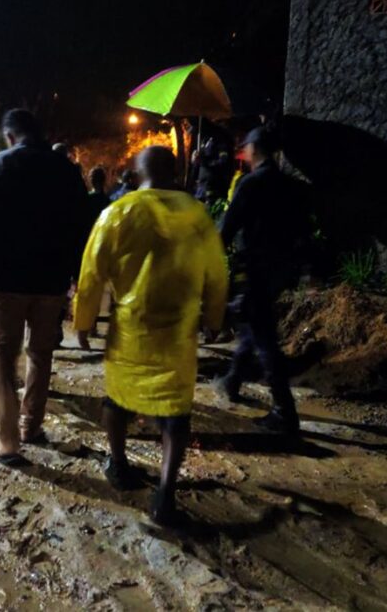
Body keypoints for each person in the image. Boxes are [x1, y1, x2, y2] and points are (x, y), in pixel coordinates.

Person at [74, 146, 228, 526]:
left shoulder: (119, 212)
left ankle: (119, 464)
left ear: (138, 173)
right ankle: (165, 494)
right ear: (174, 172)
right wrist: (214, 316)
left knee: (118, 398)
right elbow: (216, 270)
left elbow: (92, 270)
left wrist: (85, 320)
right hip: (178, 331)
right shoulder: (196, 214)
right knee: (176, 415)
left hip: (131, 329)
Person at [0, 109, 88, 467]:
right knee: (41, 354)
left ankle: (9, 444)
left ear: (10, 136)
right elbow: (80, 227)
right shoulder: (67, 171)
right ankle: (31, 426)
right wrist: (77, 275)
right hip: (51, 281)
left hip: (6, 281)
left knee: (1, 357)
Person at [216, 126, 313, 434]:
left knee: (264, 337)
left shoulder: (251, 184)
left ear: (254, 149)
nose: (242, 152)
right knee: (254, 324)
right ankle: (232, 380)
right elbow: (303, 231)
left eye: (245, 147)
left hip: (256, 267)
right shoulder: (291, 186)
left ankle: (285, 411)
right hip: (281, 270)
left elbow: (227, 228)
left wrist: (210, 259)